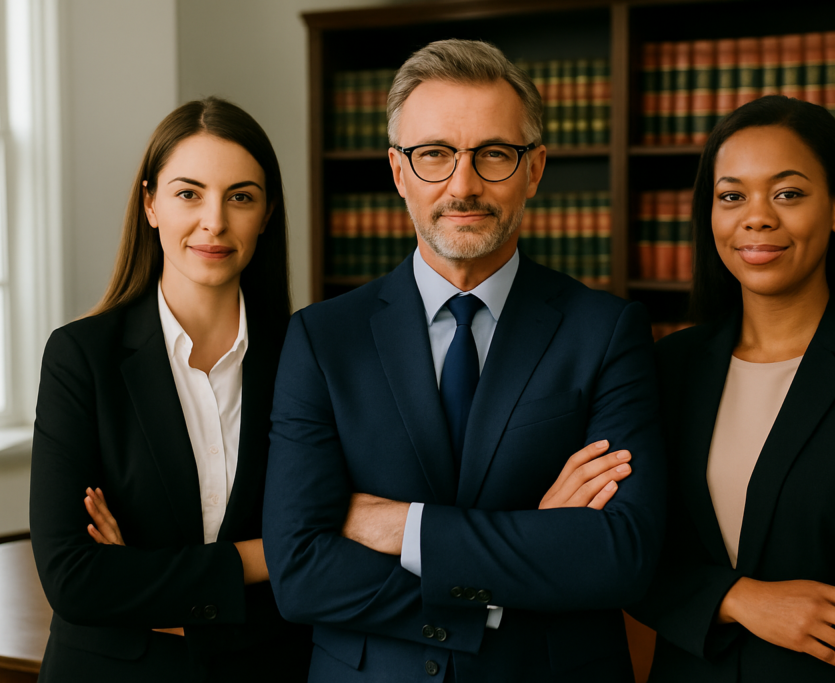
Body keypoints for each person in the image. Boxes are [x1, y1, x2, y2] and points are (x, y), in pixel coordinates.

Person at [263, 39, 666, 683]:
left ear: (534, 169)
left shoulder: (608, 331)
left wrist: (408, 529)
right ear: (399, 172)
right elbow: (300, 573)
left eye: (494, 154)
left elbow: (622, 555)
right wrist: (529, 544)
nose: (464, 185)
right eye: (434, 155)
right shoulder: (321, 338)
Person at [627, 95, 835, 681]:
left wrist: (701, 597)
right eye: (732, 196)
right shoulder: (668, 366)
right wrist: (741, 600)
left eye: (787, 193)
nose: (757, 218)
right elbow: (627, 556)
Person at [30, 97, 311, 682]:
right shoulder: (81, 357)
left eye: (241, 197)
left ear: (266, 213)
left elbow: (331, 559)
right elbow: (75, 581)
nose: (215, 221)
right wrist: (265, 556)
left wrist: (143, 582)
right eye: (189, 193)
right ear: (151, 203)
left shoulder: (308, 358)